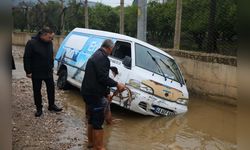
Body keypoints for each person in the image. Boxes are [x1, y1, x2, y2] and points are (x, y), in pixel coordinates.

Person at [81, 39, 125, 150]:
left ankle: (91, 143)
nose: (112, 51)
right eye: (112, 49)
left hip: (87, 92)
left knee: (91, 119)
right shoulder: (103, 59)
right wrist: (117, 84)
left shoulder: (96, 54)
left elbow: (97, 77)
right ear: (109, 48)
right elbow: (103, 78)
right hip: (95, 94)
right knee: (98, 122)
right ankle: (99, 147)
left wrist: (106, 93)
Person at [23, 27, 62, 117]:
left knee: (51, 89)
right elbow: (27, 58)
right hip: (36, 72)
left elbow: (50, 55)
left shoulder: (49, 43)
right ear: (43, 35)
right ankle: (39, 108)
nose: (51, 39)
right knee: (37, 91)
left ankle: (51, 105)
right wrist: (28, 71)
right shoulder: (31, 43)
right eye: (50, 37)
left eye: (52, 38)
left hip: (48, 71)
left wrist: (52, 66)